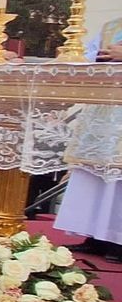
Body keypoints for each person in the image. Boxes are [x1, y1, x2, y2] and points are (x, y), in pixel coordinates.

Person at [54, 25, 122, 259]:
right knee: (94, 174)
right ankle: (94, 235)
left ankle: (118, 241)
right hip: (105, 110)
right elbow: (89, 56)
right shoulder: (112, 26)